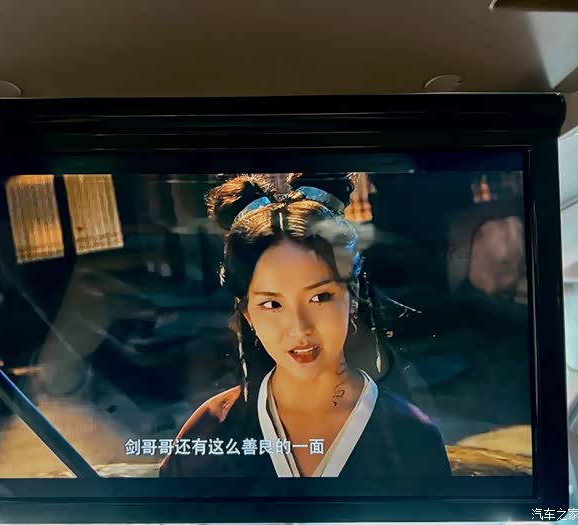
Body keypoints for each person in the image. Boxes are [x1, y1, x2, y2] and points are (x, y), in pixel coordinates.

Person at [159, 173, 451, 478]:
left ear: (352, 296)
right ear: (247, 313)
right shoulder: (209, 436)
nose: (299, 328)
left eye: (319, 297)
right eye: (272, 304)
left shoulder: (410, 437)